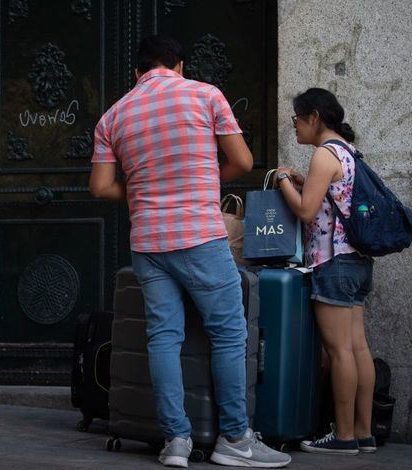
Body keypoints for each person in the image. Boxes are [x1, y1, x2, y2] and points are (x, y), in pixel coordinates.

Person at [89, 34, 290, 468]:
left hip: (147, 243)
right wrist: (198, 180)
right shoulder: (205, 95)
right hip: (199, 236)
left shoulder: (113, 116)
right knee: (230, 333)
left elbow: (101, 186)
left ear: (137, 73)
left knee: (163, 338)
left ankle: (176, 442)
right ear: (179, 65)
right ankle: (235, 440)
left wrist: (146, 189)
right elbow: (242, 161)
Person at [274, 87, 376, 455]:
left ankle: (344, 436)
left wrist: (284, 180)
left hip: (332, 262)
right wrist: (304, 184)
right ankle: (364, 433)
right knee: (358, 347)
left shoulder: (323, 154)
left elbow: (304, 210)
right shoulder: (349, 152)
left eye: (296, 120)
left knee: (339, 351)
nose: (295, 127)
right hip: (357, 262)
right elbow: (330, 199)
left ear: (314, 118)